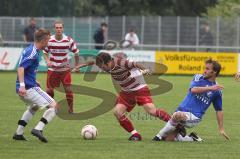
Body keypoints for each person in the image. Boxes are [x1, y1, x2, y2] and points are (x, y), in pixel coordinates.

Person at [92, 52, 172, 141]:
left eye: (103, 67)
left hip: (139, 88)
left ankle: (175, 123)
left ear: (108, 63)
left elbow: (135, 64)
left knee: (151, 111)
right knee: (117, 112)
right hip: (126, 92)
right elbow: (91, 62)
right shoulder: (108, 64)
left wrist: (145, 69)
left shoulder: (121, 63)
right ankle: (135, 135)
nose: (103, 69)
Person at [153, 59, 230, 142]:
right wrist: (210, 88)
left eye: (207, 69)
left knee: (177, 116)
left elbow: (219, 110)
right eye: (205, 68)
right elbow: (193, 90)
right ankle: (192, 138)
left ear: (214, 72)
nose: (204, 71)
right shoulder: (198, 77)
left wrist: (221, 129)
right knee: (169, 139)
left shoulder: (217, 91)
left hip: (194, 116)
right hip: (181, 112)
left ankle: (158, 136)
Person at [13, 28, 58, 143]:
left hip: (25, 87)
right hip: (28, 89)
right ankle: (38, 129)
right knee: (54, 106)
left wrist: (33, 80)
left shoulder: (32, 49)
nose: (48, 43)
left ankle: (18, 133)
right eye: (47, 40)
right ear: (42, 41)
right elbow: (21, 68)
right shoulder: (33, 53)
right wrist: (23, 85)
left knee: (34, 107)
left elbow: (27, 69)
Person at [43, 21, 79, 114]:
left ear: (63, 29)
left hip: (64, 70)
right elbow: (45, 52)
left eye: (60, 27)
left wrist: (77, 65)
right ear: (54, 29)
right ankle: (51, 108)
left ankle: (71, 110)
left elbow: (76, 53)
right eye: (57, 27)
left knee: (68, 90)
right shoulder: (49, 40)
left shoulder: (69, 40)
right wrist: (47, 60)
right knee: (49, 90)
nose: (58, 29)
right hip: (53, 70)